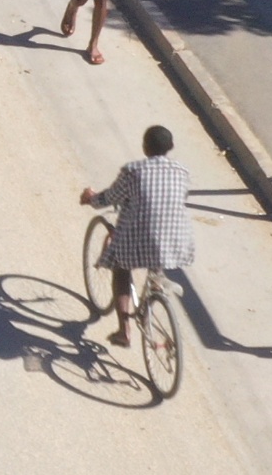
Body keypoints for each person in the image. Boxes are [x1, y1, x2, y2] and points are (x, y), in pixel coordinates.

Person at [78, 125, 197, 349]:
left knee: (121, 269)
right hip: (177, 241)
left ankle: (124, 332)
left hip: (139, 239)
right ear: (170, 147)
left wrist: (90, 198)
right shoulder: (182, 171)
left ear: (145, 147)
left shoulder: (133, 171)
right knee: (156, 257)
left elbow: (110, 197)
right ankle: (154, 293)